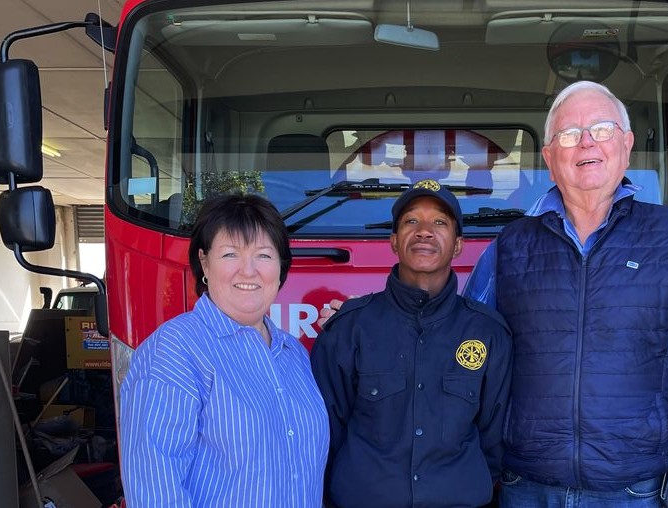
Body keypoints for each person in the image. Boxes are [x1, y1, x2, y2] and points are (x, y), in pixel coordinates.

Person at [463, 80, 668, 508]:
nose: (586, 142)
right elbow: (458, 347)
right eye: (569, 135)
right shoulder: (510, 247)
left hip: (633, 492)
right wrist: (363, 321)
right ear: (550, 159)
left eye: (601, 129)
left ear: (625, 146)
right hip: (526, 489)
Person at [310, 179, 513, 508]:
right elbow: (324, 437)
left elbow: (495, 442)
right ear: (393, 241)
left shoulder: (488, 333)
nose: (424, 231)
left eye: (439, 222)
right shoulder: (349, 329)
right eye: (411, 221)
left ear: (458, 245)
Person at [119, 193, 329, 508]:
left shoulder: (293, 353)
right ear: (204, 262)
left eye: (264, 255)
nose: (248, 271)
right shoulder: (174, 352)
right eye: (230, 254)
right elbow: (155, 491)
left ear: (281, 267)